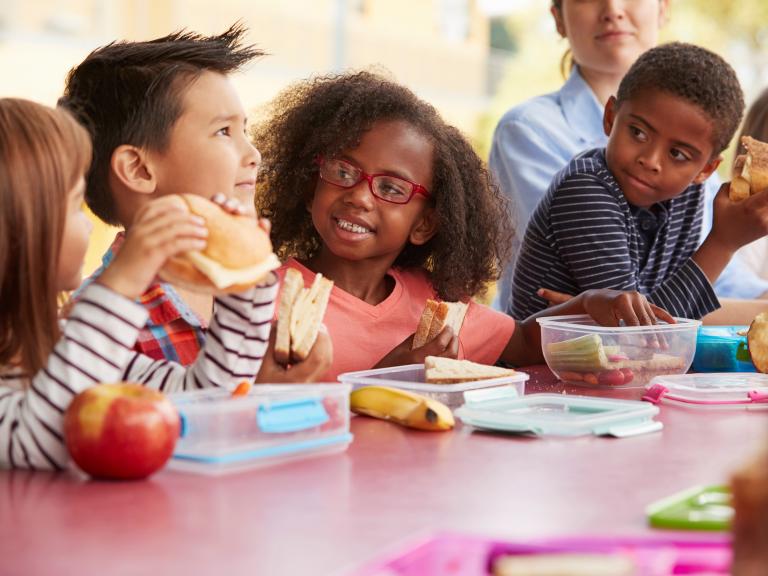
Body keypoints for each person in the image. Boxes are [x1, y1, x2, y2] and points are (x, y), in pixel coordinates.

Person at [252, 71, 673, 380]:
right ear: (310, 187)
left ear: (426, 223)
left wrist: (590, 303)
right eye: (343, 172)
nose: (360, 195)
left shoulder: (432, 301)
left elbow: (525, 342)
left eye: (392, 188)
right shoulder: (265, 302)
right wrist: (383, 379)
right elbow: (253, 415)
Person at [0, 98, 286, 470]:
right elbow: (40, 443)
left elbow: (206, 403)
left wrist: (245, 279)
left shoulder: (62, 341)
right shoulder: (84, 344)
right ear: (17, 231)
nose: (88, 224)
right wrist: (120, 284)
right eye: (74, 206)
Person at [58, 24, 329, 374]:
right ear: (139, 170)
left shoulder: (251, 293)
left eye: (244, 130)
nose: (253, 154)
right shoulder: (90, 335)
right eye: (223, 132)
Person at [489, 0, 768, 311]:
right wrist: (723, 243)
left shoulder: (688, 190)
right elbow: (643, 334)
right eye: (638, 133)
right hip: (546, 359)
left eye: (677, 153)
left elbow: (677, 305)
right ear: (610, 118)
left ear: (706, 170)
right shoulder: (581, 184)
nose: (650, 160)